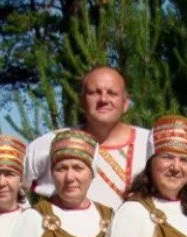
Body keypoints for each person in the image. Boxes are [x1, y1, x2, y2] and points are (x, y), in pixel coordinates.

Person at [23, 66, 150, 209]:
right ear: (82, 101)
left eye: (112, 93)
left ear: (125, 103)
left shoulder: (150, 143)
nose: (103, 99)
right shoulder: (53, 143)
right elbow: (10, 186)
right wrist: (30, 221)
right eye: (94, 93)